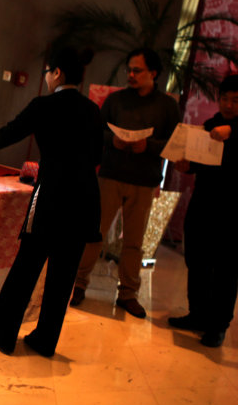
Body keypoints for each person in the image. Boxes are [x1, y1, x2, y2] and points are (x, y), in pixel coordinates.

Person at [0, 46, 102, 357]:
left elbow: (12, 131)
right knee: (63, 275)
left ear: (57, 72)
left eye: (46, 72)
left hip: (52, 196)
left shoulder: (44, 105)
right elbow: (99, 155)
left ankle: (4, 336)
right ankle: (45, 341)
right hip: (85, 197)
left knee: (27, 266)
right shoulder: (93, 110)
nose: (45, 78)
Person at [71, 48, 181, 318]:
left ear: (153, 74)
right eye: (129, 70)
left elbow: (174, 144)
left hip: (144, 180)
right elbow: (97, 132)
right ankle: (77, 285)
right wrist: (113, 140)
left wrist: (149, 146)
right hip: (111, 174)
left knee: (134, 242)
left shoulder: (167, 106)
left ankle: (128, 294)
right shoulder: (116, 100)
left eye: (137, 70)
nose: (130, 75)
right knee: (93, 233)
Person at [168, 74, 238, 347]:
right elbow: (198, 161)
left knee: (225, 269)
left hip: (232, 211)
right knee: (196, 260)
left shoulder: (230, 129)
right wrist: (186, 165)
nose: (229, 105)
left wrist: (231, 132)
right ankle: (197, 314)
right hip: (203, 204)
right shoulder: (210, 125)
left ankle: (218, 325)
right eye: (224, 99)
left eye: (235, 100)